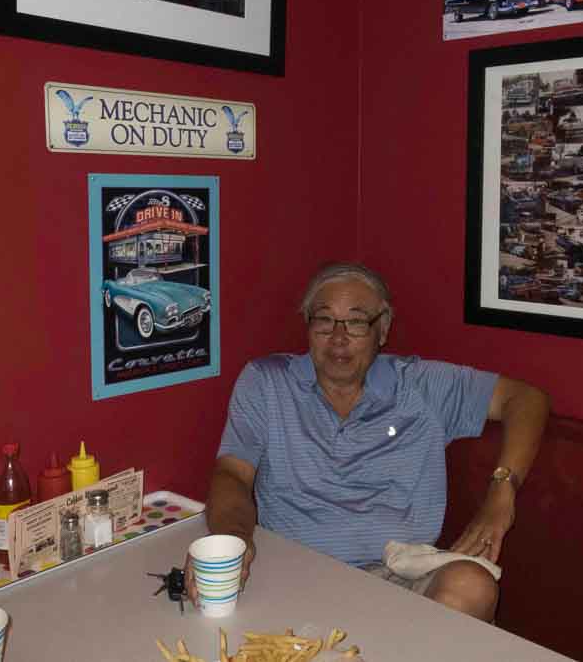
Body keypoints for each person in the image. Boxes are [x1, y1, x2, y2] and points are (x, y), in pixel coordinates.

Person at [186, 262, 549, 622]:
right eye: (324, 320)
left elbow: (526, 400)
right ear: (308, 326)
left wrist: (502, 491)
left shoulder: (421, 386)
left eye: (357, 322)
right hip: (295, 570)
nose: (338, 337)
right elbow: (232, 474)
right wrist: (232, 541)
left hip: (397, 576)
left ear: (383, 329)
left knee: (473, 584)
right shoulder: (266, 383)